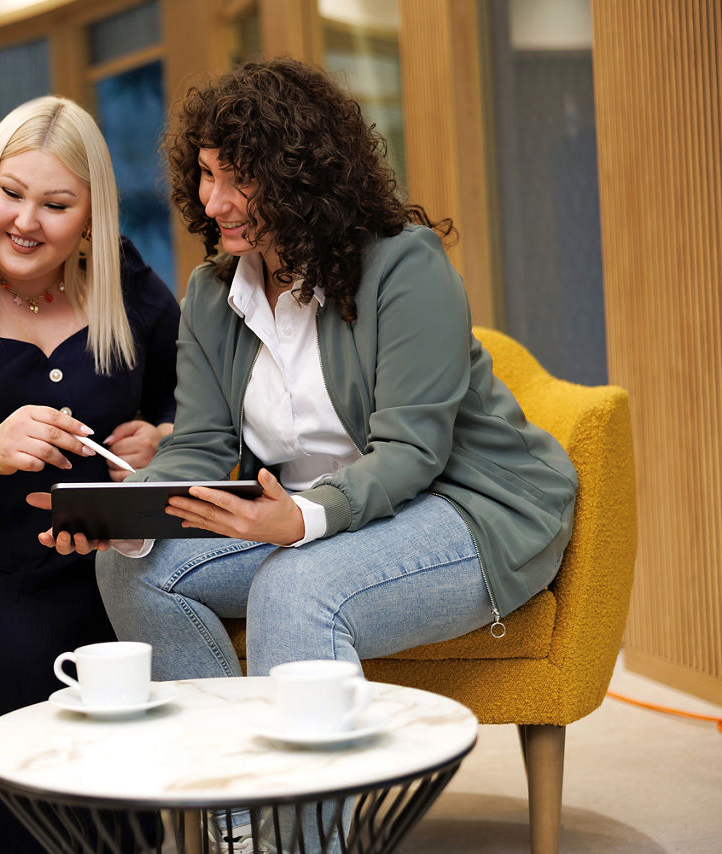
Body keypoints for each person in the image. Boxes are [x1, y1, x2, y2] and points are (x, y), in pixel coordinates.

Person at [43, 58, 578, 849]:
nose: (213, 201)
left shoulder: (405, 265)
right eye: (205, 175)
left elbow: (412, 449)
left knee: (298, 588)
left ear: (298, 176)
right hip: (307, 519)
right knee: (131, 566)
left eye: (239, 179)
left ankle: (307, 843)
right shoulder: (213, 296)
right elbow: (198, 443)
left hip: (470, 507)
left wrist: (304, 519)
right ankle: (236, 826)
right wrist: (127, 515)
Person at [0, 96, 180, 852]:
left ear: (91, 214)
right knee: (4, 651)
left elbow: (195, 414)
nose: (26, 221)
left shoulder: (133, 292)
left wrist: (161, 440)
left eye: (56, 204)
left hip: (111, 572)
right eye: (11, 194)